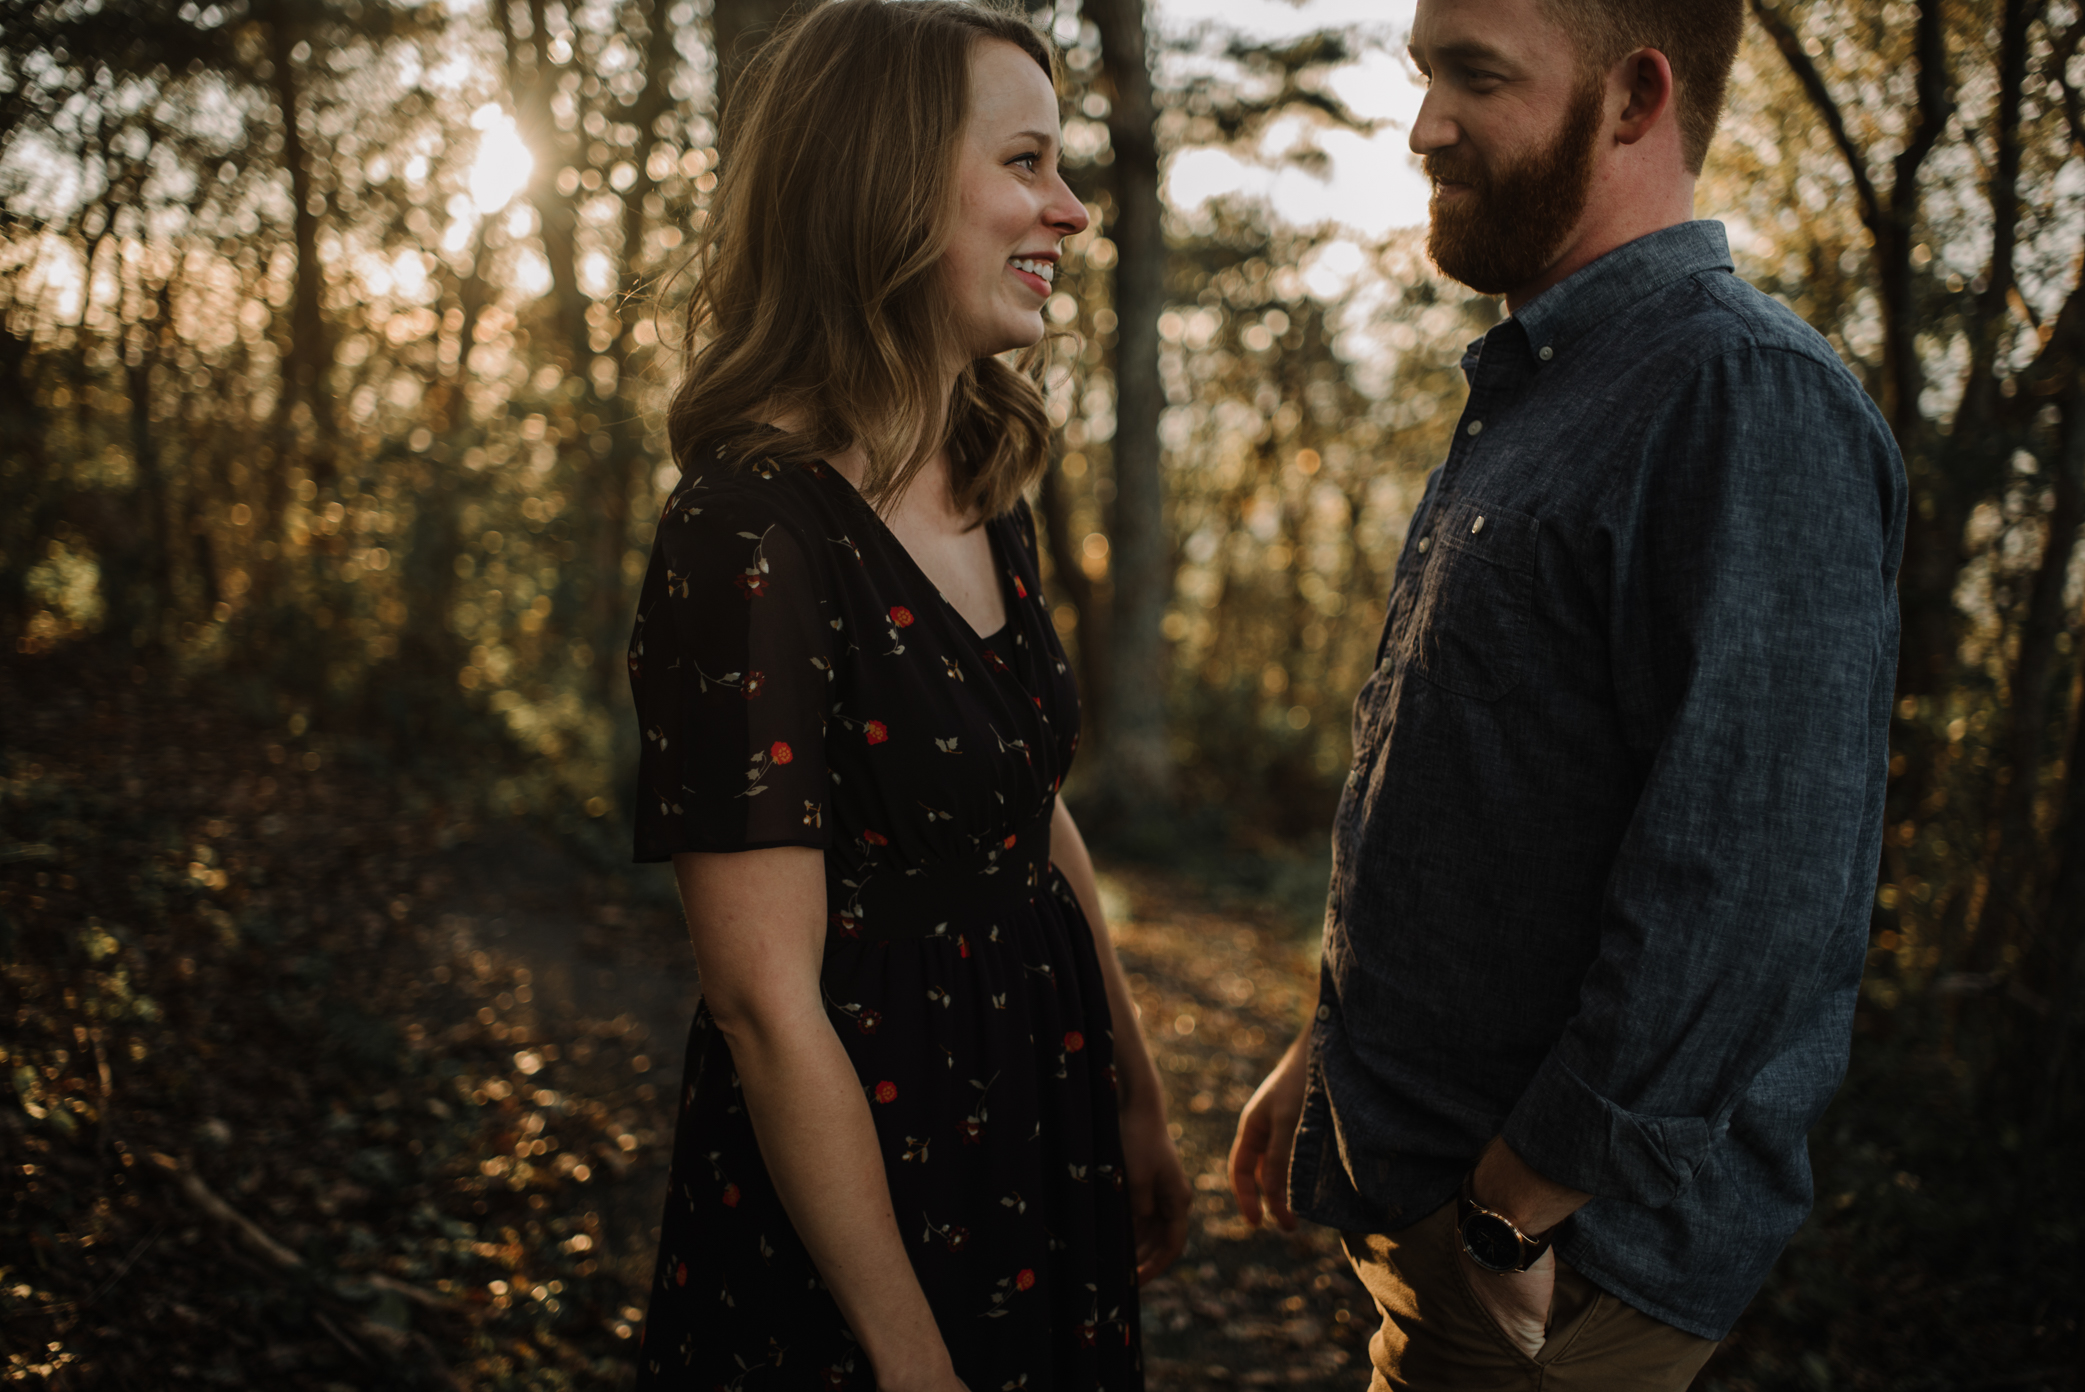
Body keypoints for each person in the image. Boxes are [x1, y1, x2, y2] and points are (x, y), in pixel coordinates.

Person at [1227, 0, 1906, 1386]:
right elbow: (1467, 796)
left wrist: (1510, 1205)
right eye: (1424, 75)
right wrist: (1330, 1045)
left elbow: (1754, 891)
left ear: (1633, 99)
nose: (1422, 128)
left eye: (1475, 79)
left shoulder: (1738, 396)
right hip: (1451, 1210)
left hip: (1561, 1265)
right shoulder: (1544, 388)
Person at [625, 2, 1191, 1388]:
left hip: (1035, 1118)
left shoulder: (986, 475)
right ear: (882, 188)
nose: (1066, 210)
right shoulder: (752, 530)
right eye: (1024, 163)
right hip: (867, 1178)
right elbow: (762, 1000)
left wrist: (1133, 1089)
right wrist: (910, 1361)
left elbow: (1029, 815)